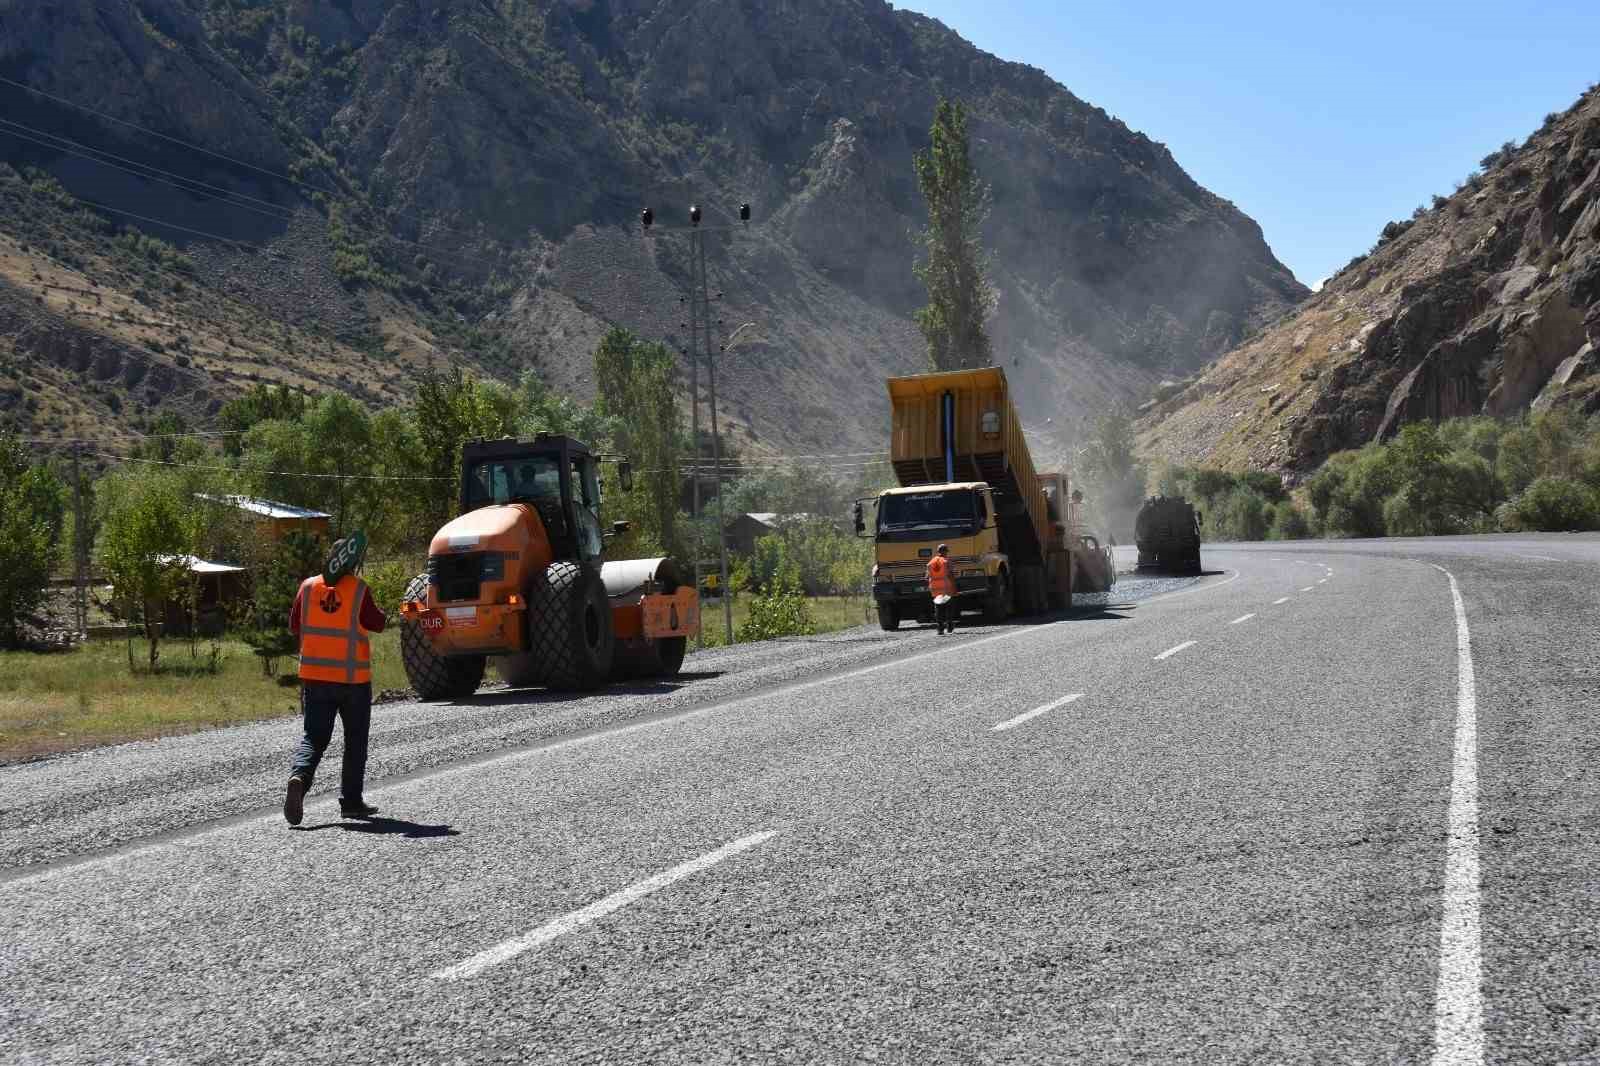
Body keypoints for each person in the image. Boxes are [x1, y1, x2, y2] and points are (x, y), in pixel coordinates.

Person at [283, 532, 387, 826]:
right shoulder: (358, 589)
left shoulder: (307, 587)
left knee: (314, 738)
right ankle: (351, 803)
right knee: (355, 741)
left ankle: (299, 779)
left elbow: (294, 626)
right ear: (352, 561)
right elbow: (376, 623)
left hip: (315, 679)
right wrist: (387, 616)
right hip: (353, 681)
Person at [927, 543, 956, 635]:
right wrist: (954, 586)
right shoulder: (946, 561)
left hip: (935, 589)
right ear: (944, 552)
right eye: (946, 551)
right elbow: (951, 574)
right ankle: (950, 626)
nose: (947, 553)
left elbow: (926, 576)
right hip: (945, 588)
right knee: (948, 607)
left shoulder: (931, 562)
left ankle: (940, 629)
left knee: (939, 609)